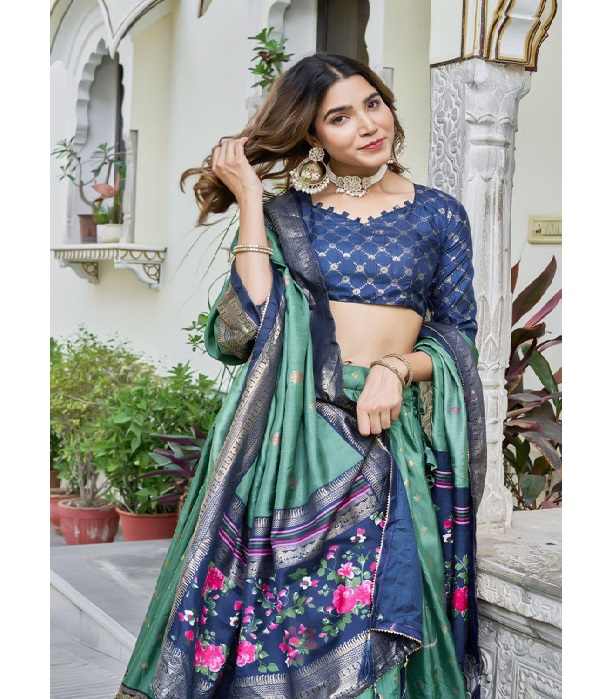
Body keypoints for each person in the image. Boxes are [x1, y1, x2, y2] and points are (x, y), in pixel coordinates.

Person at [115, 53, 486, 699]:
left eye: (373, 103)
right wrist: (251, 200)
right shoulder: (291, 215)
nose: (367, 124)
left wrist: (396, 367)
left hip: (385, 434)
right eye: (339, 117)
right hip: (290, 443)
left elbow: (459, 336)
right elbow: (253, 325)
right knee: (279, 628)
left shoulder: (439, 214)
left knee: (387, 611)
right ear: (312, 135)